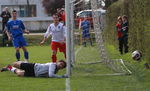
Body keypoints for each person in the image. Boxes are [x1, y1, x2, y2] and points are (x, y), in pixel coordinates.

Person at [1, 60, 68, 78]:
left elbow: (48, 75)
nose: (60, 65)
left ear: (62, 68)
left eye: (62, 66)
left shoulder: (55, 71)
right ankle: (23, 62)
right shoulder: (53, 65)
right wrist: (62, 76)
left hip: (34, 74)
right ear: (57, 62)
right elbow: (50, 75)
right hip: (33, 67)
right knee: (15, 64)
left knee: (18, 73)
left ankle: (9, 67)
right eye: (61, 63)